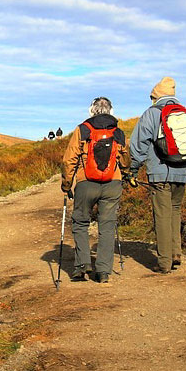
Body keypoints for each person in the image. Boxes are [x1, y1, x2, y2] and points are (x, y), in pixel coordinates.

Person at [126, 77, 186, 274]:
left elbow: (138, 145)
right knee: (175, 210)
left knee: (162, 215)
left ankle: (164, 262)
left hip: (159, 174)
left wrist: (134, 170)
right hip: (184, 173)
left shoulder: (151, 114)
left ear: (156, 97)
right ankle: (175, 254)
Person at [61, 97, 129, 283]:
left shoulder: (82, 130)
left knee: (80, 222)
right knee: (107, 226)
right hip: (112, 183)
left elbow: (70, 159)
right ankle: (104, 272)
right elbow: (125, 159)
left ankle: (82, 267)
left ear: (91, 110)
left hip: (86, 183)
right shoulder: (118, 132)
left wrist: (67, 184)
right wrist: (125, 173)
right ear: (111, 111)